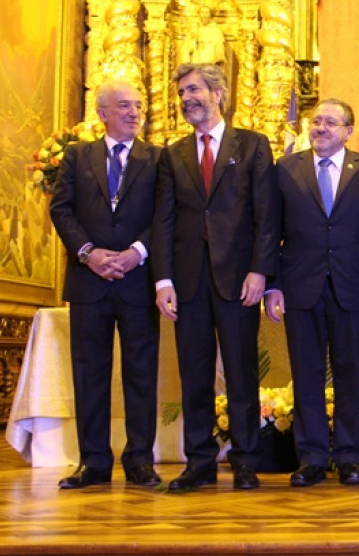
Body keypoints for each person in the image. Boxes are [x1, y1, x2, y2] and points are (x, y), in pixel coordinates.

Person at [152, 62, 280, 491]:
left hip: (239, 278)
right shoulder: (173, 155)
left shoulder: (253, 146)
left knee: (242, 373)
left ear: (218, 93)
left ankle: (245, 461)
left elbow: (267, 217)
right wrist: (163, 280)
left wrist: (260, 270)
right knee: (195, 374)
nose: (187, 99)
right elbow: (164, 221)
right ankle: (200, 462)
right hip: (188, 283)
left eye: (194, 90)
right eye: (182, 93)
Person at [265, 98, 359, 486]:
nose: (321, 128)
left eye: (331, 123)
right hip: (301, 287)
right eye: (316, 121)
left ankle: (350, 457)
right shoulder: (286, 168)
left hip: (352, 287)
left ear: (348, 131)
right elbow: (271, 231)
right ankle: (312, 457)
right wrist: (273, 285)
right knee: (307, 374)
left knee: (350, 375)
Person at [50, 79, 161, 489]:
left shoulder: (158, 159)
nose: (134, 113)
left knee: (140, 373)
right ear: (102, 114)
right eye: (124, 106)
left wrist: (137, 252)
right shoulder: (78, 157)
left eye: (138, 105)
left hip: (137, 282)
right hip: (88, 283)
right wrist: (88, 253)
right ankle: (93, 462)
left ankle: (139, 461)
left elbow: (164, 215)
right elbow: (61, 209)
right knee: (89, 373)